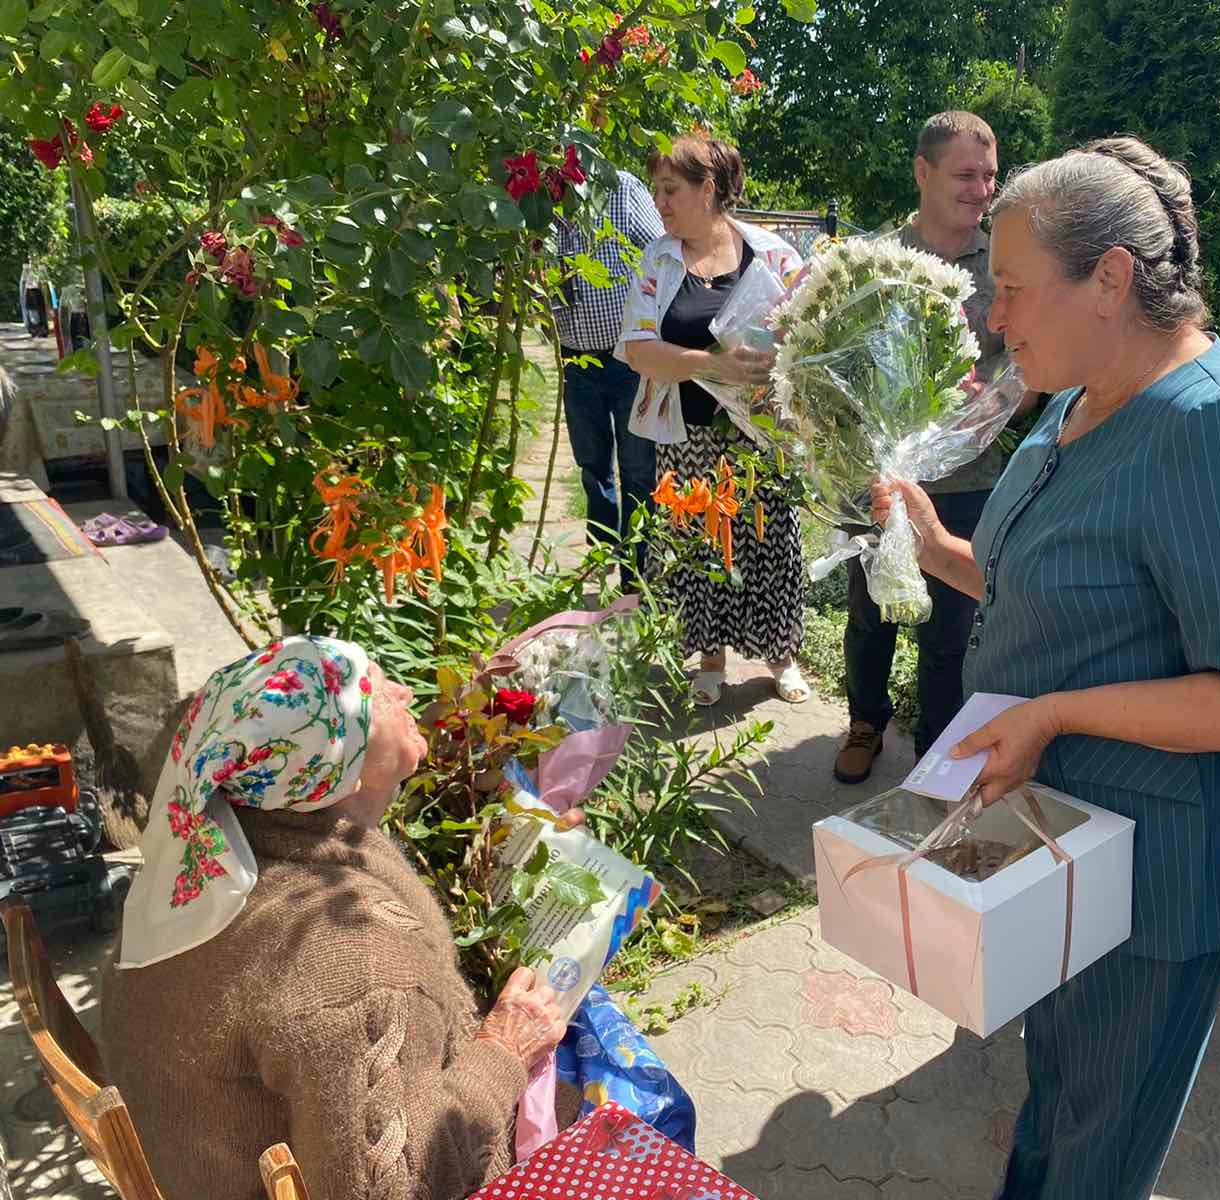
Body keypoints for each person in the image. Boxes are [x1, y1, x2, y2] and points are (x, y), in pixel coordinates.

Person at [872, 137, 1220, 1200]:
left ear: (1111, 279)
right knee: (1062, 1091)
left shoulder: (1211, 426)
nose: (994, 317)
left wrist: (1053, 714)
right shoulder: (1077, 396)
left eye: (1013, 288)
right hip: (1068, 838)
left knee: (1100, 1141)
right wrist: (939, 552)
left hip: (1160, 869)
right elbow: (1072, 592)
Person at [100, 637, 575, 1200]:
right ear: (334, 767)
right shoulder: (357, 962)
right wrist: (503, 1051)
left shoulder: (204, 863)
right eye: (376, 692)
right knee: (617, 1106)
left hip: (192, 1162)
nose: (405, 692)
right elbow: (390, 1191)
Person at [835, 111, 1012, 783]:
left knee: (952, 629)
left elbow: (1024, 368)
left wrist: (989, 402)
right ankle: (865, 722)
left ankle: (937, 755)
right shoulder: (874, 264)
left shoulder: (1004, 263)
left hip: (969, 477)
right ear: (922, 172)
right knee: (870, 613)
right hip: (877, 477)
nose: (981, 190)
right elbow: (840, 362)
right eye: (966, 175)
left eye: (989, 176)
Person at [616, 135, 810, 707]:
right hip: (690, 437)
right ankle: (710, 656)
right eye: (657, 190)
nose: (660, 203)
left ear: (708, 190)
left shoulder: (773, 255)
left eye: (670, 190)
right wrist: (712, 363)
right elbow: (639, 351)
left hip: (763, 434)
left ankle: (782, 655)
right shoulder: (659, 260)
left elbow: (813, 335)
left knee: (771, 540)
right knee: (699, 544)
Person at [553, 169, 666, 579]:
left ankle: (636, 576)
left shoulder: (620, 189)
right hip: (575, 361)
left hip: (629, 360)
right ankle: (603, 563)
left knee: (638, 468)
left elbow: (660, 251)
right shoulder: (538, 200)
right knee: (593, 467)